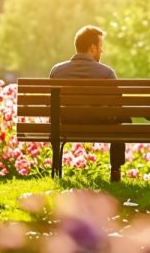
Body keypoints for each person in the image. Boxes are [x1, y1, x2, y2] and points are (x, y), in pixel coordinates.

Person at [49, 25, 125, 182]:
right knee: (123, 119)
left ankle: (56, 169)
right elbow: (117, 106)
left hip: (64, 124)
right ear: (92, 48)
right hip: (99, 123)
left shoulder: (57, 71)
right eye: (100, 46)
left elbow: (51, 106)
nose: (102, 51)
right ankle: (116, 171)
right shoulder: (106, 73)